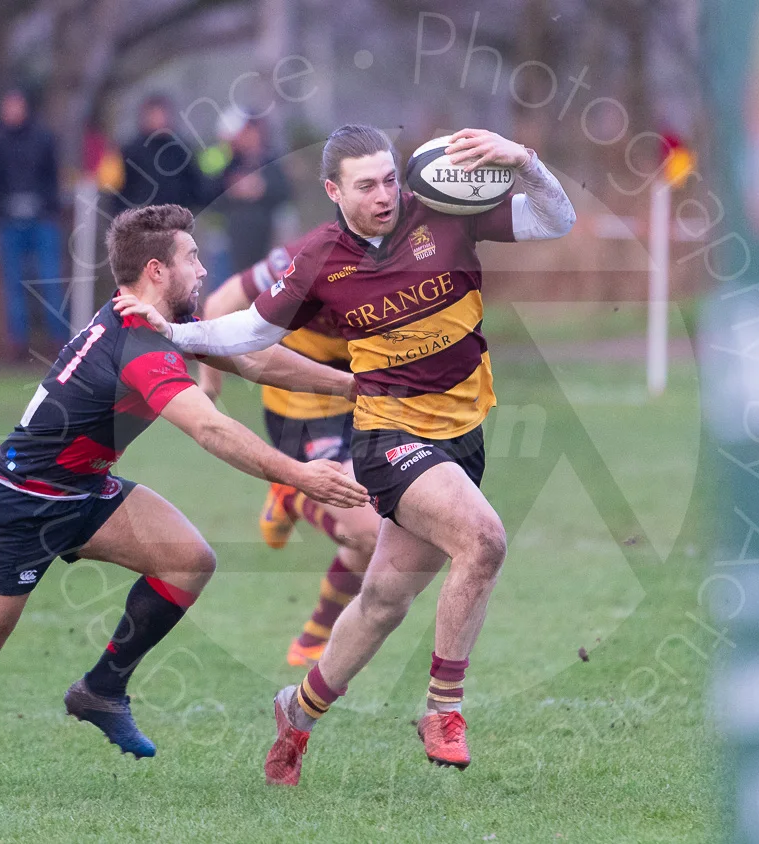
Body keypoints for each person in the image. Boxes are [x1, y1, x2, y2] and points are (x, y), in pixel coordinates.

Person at [0, 204, 368, 789]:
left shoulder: (154, 322)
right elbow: (208, 428)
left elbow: (251, 356)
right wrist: (299, 475)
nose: (204, 270)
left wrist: (351, 383)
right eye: (193, 258)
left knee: (189, 561)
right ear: (156, 270)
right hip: (21, 504)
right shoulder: (138, 346)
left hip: (84, 490)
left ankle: (101, 689)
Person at [129, 125, 576, 783]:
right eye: (366, 185)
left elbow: (555, 220)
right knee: (482, 542)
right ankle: (443, 709)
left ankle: (297, 714)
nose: (385, 195)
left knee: (380, 605)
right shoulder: (318, 258)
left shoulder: (444, 211)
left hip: (462, 436)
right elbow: (253, 328)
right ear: (334, 190)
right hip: (389, 439)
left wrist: (526, 162)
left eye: (391, 178)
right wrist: (175, 332)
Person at [197, 233, 380, 668]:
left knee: (384, 529)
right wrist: (209, 385)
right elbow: (220, 303)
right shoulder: (305, 257)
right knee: (369, 528)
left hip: (368, 401)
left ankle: (315, 634)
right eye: (366, 186)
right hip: (302, 406)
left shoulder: (419, 255)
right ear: (337, 192)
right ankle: (292, 492)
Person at [0, 88, 66, 357]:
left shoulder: (43, 139)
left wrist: (44, 205)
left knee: (50, 280)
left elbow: (53, 178)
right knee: (13, 284)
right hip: (9, 222)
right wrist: (2, 209)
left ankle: (60, 341)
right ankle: (16, 345)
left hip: (42, 220)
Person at [115, 95, 214, 215]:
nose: (158, 120)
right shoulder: (131, 151)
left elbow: (197, 186)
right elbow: (121, 190)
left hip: (176, 219)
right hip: (141, 221)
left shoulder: (181, 149)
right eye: (153, 115)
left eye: (161, 114)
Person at [216, 118, 291, 272]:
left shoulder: (272, 161)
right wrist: (234, 190)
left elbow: (285, 192)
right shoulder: (231, 163)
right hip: (237, 235)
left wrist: (262, 188)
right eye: (244, 133)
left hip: (268, 233)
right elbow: (213, 194)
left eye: (251, 132)